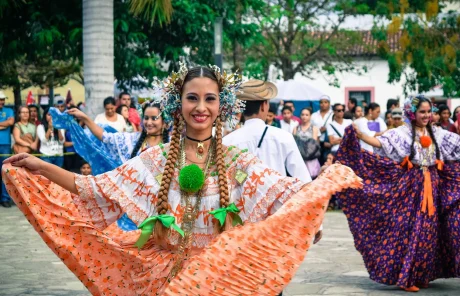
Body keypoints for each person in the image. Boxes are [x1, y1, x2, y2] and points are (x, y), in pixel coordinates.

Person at [2, 65, 361, 295]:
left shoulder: (238, 161)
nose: (200, 107)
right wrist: (40, 166)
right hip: (164, 278)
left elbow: (282, 190)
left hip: (221, 280)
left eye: (209, 99)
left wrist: (321, 188)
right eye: (192, 98)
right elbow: (93, 188)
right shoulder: (155, 159)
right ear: (179, 104)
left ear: (222, 106)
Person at [336, 95, 460, 292]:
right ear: (412, 113)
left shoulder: (437, 133)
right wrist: (359, 135)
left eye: (429, 111)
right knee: (411, 229)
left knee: (430, 230)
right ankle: (407, 277)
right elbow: (380, 143)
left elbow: (457, 145)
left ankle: (422, 274)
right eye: (422, 112)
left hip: (433, 186)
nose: (427, 115)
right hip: (410, 187)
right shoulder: (402, 133)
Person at [223, 79, 312, 183]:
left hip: (241, 199)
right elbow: (303, 179)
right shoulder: (284, 137)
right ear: (264, 105)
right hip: (279, 198)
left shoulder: (227, 141)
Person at [293, 107, 321, 179]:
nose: (304, 116)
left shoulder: (314, 128)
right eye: (302, 114)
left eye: (306, 115)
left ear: (310, 116)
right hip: (300, 157)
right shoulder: (296, 128)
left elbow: (314, 143)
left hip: (311, 156)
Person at [0, 91, 15, 207]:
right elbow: (8, 123)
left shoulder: (9, 110)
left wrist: (5, 124)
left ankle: (5, 198)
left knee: (5, 172)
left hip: (5, 145)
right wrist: (4, 124)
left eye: (3, 99)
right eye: (0, 99)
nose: (2, 101)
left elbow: (11, 122)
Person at [311, 95, 334, 162]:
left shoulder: (333, 114)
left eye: (325, 102)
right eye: (321, 102)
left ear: (329, 103)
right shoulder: (314, 115)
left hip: (329, 143)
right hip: (317, 143)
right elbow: (310, 128)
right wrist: (319, 131)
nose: (323, 104)